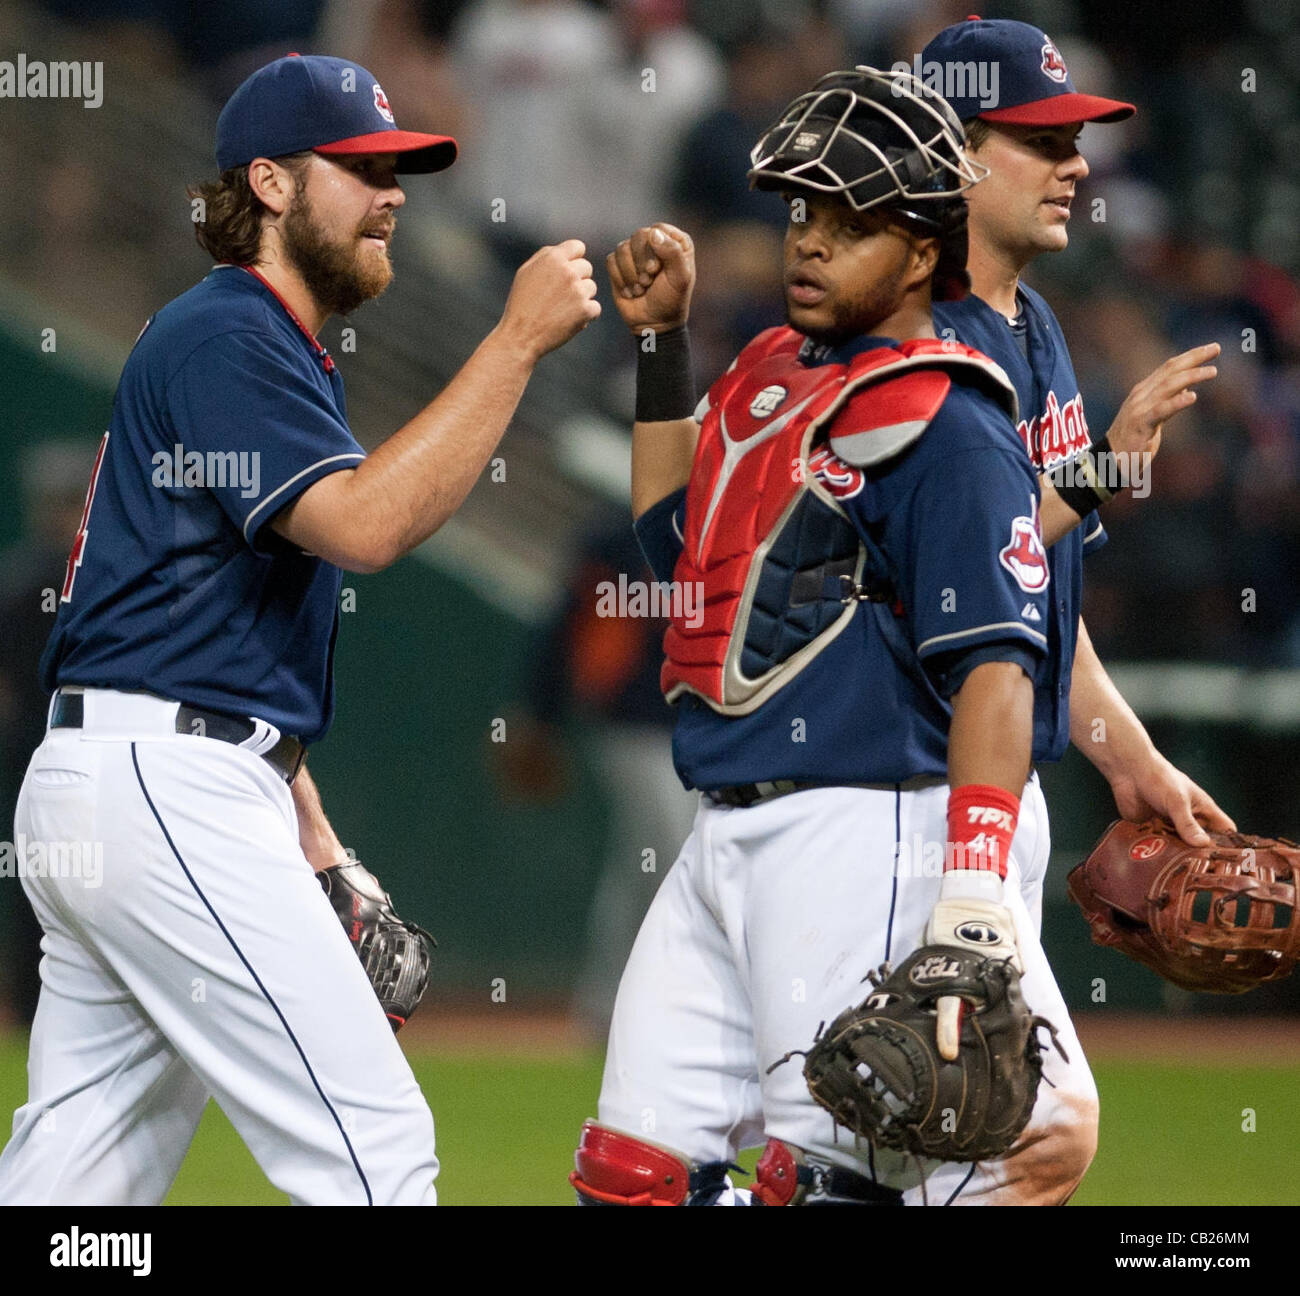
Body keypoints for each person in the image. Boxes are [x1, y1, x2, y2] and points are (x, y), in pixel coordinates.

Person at [0, 52, 598, 1206]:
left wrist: (309, 834)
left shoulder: (247, 342)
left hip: (138, 772)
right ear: (268, 184)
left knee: (77, 1187)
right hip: (161, 786)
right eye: (362, 167)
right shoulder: (232, 332)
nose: (393, 193)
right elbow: (364, 527)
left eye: (400, 171)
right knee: (373, 1154)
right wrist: (514, 342)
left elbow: (206, 629)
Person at [571, 68, 1098, 1207]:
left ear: (922, 253)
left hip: (863, 835)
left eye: (849, 222)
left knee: (839, 1184)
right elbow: (677, 552)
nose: (808, 242)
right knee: (633, 1176)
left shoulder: (952, 420)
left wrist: (971, 893)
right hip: (725, 833)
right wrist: (662, 346)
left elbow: (999, 671)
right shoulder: (771, 370)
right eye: (802, 212)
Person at [921, 17, 1233, 856]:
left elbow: (1044, 595)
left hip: (1001, 788)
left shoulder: (1036, 324)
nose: (1078, 165)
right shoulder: (909, 341)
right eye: (1043, 140)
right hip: (908, 793)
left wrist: (1132, 759)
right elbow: (965, 560)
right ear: (953, 151)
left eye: (1075, 139)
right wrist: (1105, 466)